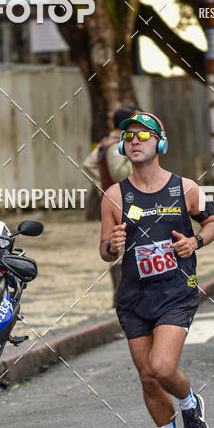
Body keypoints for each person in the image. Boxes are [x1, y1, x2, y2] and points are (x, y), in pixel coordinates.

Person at [99, 112, 214, 428]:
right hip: (134, 296)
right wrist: (112, 245)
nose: (135, 141)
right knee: (148, 378)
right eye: (129, 136)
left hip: (175, 291)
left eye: (143, 135)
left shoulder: (185, 188)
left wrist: (195, 241)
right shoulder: (114, 195)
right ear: (123, 145)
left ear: (160, 142)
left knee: (162, 368)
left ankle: (190, 404)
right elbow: (105, 250)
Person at [83, 106, 137, 304]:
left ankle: (124, 293)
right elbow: (119, 173)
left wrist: (100, 186)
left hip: (118, 199)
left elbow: (89, 164)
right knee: (118, 246)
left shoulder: (106, 143)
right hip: (121, 200)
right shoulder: (116, 146)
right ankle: (121, 294)